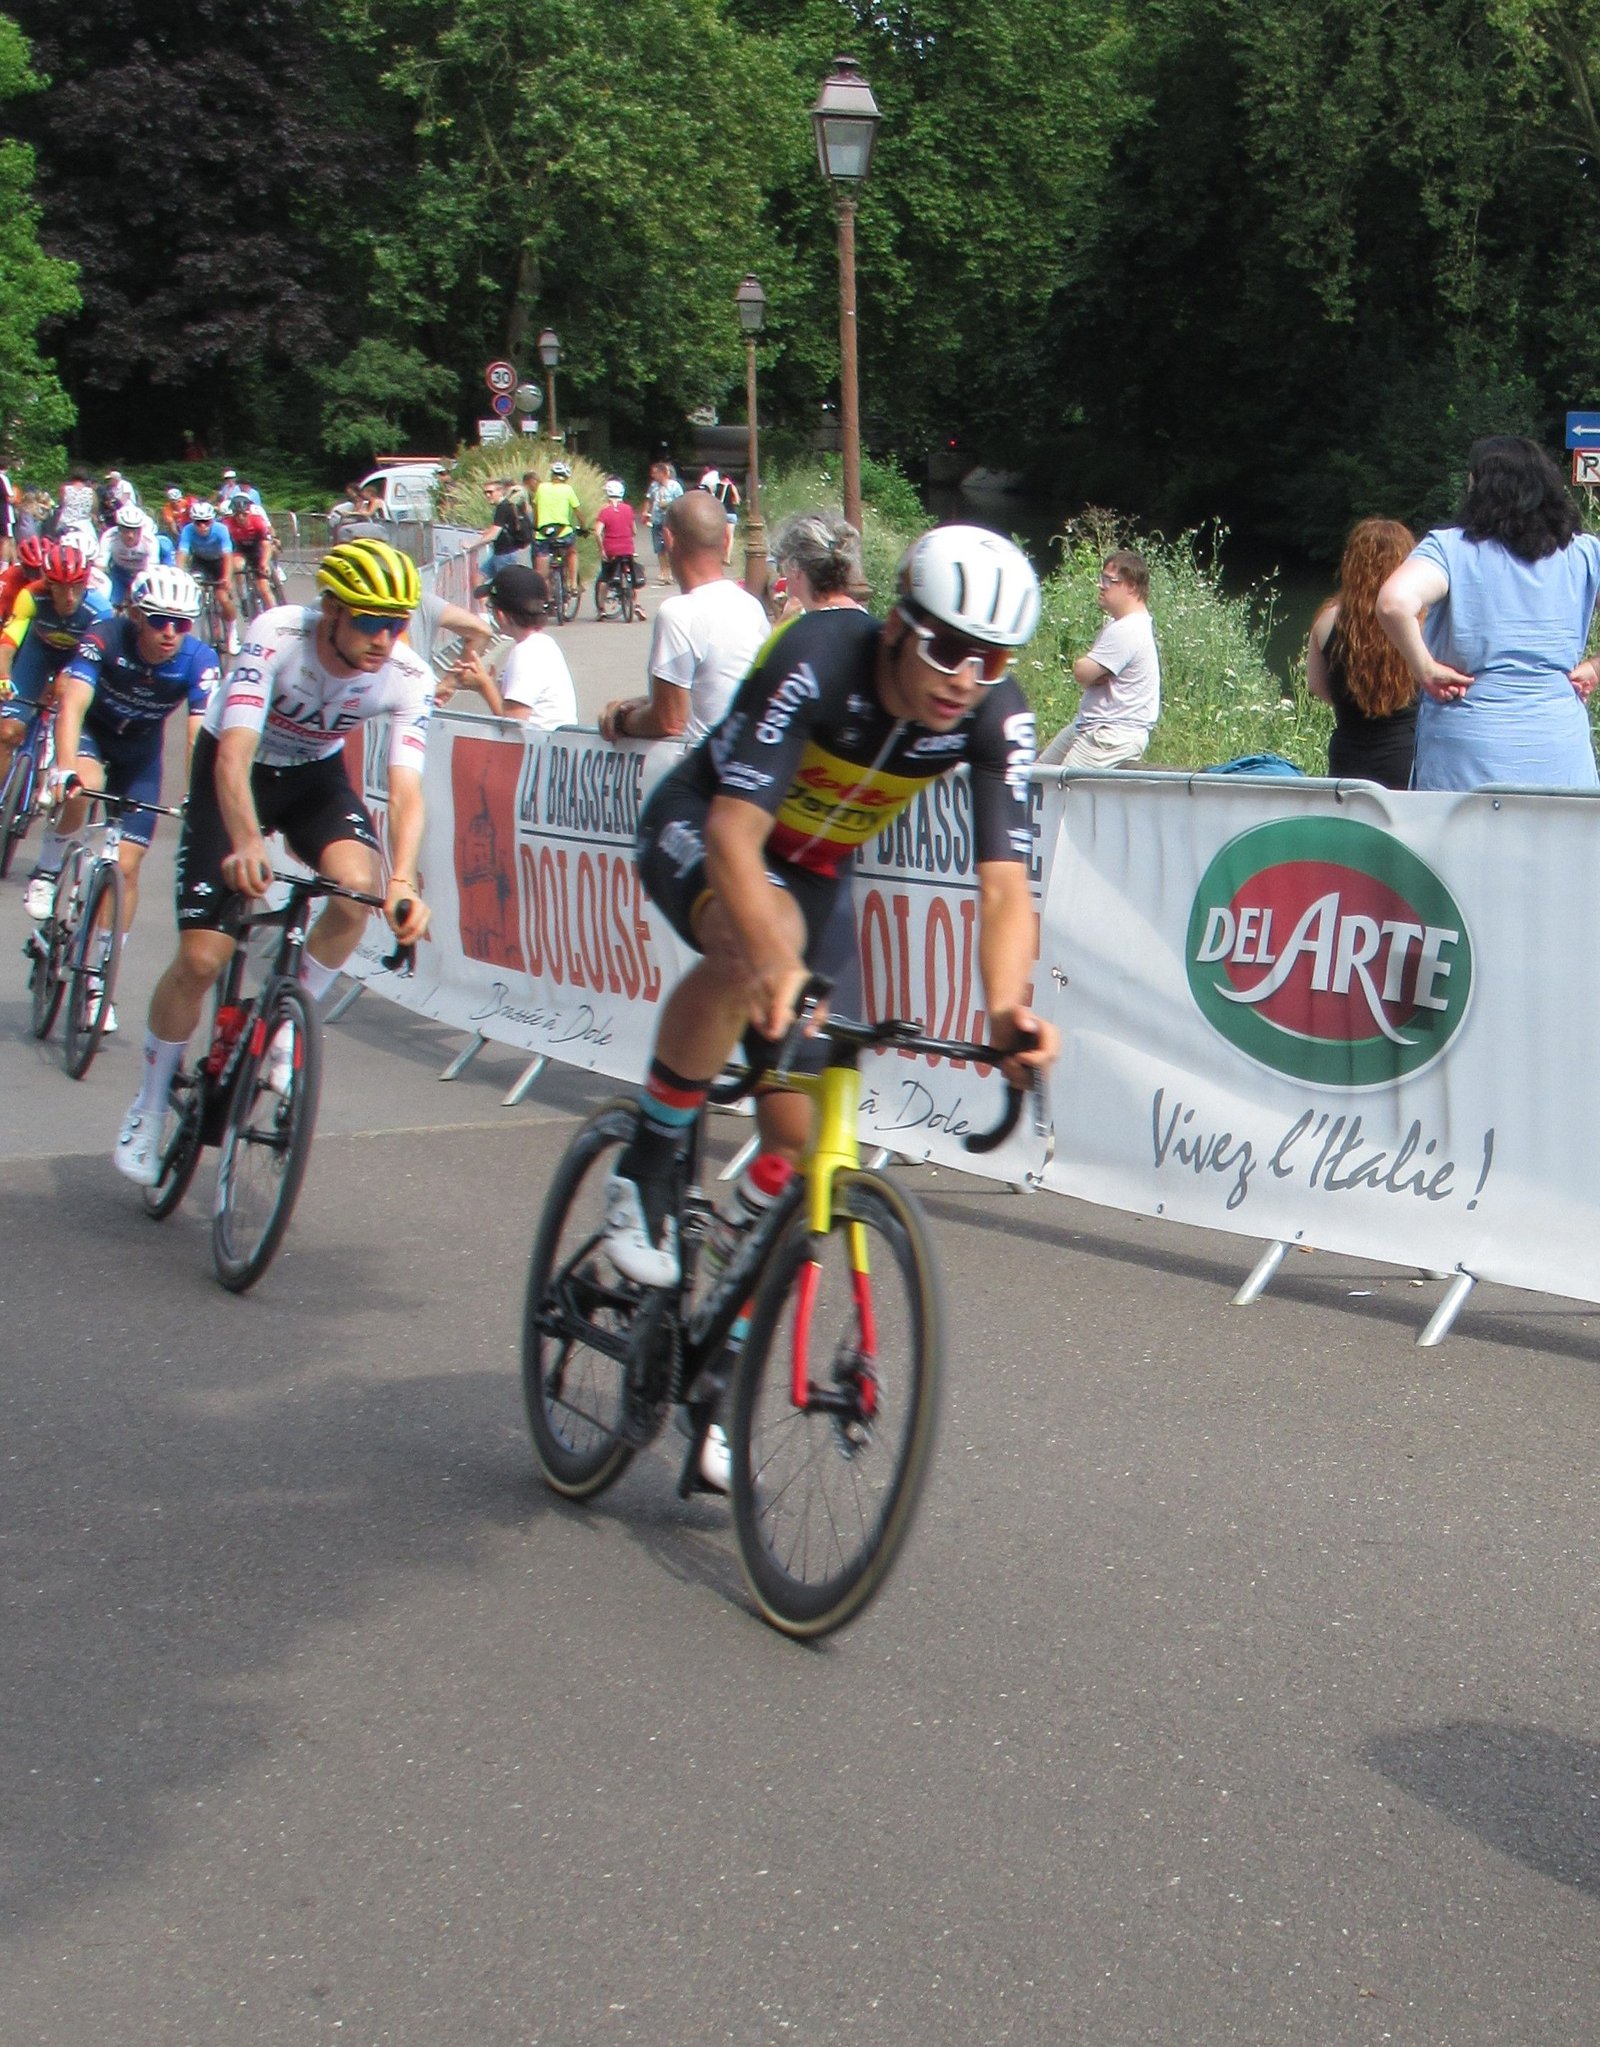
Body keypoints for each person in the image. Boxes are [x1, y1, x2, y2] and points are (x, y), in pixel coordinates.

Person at [600, 523, 1057, 1307]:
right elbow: (734, 836)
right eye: (947, 649)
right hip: (708, 826)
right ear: (897, 626)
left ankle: (731, 1284)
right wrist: (776, 964)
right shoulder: (815, 657)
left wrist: (1009, 1006)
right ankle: (645, 1163)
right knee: (751, 951)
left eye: (993, 659)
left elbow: (1006, 887)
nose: (965, 679)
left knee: (799, 1141)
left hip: (814, 874)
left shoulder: (993, 716)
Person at [113, 539, 433, 1185]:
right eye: (371, 620)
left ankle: (289, 1025)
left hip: (313, 779)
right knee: (203, 957)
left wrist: (402, 878)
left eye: (396, 623)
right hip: (235, 773)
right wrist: (247, 841)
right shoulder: (276, 634)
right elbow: (232, 755)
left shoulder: (407, 674)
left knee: (357, 888)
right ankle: (148, 1107)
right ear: (333, 611)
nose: (384, 637)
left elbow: (405, 791)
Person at [31, 569, 220, 1013]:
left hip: (140, 753)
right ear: (136, 615)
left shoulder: (199, 660)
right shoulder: (106, 636)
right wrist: (61, 768)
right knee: (84, 789)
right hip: (93, 735)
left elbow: (199, 735)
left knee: (127, 868)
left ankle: (98, 977)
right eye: (158, 620)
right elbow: (73, 703)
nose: (171, 632)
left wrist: (199, 796)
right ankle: (48, 865)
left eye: (183, 623)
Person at [1377, 435, 1600, 789]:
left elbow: (1393, 603)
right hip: (1558, 750)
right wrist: (1595, 667)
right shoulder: (1585, 552)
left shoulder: (1449, 549)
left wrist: (1425, 667)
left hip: (1466, 755)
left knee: (1457, 846)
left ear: (1480, 486)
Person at [598, 490, 767, 746]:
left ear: (668, 538)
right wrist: (645, 703)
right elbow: (712, 692)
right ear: (724, 540)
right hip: (744, 755)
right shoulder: (751, 606)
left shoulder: (679, 613)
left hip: (703, 766)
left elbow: (670, 720)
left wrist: (620, 720)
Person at [1304, 519, 1419, 789]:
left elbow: (1316, 685)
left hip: (1348, 754)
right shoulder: (1419, 622)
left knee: (1351, 829)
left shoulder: (1327, 620)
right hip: (1405, 754)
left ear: (1351, 562)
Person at [0, 543, 114, 794]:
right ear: (49, 585)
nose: (70, 596)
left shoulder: (99, 610)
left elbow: (93, 658)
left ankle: (58, 765)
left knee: (67, 693)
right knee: (7, 732)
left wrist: (64, 679)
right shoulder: (31, 596)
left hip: (77, 658)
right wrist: (4, 677)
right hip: (37, 654)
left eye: (76, 586)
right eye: (61, 588)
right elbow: (8, 643)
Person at [1039, 549, 1161, 768]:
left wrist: (1088, 669)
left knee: (1060, 792)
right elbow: (1089, 673)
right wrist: (1092, 671)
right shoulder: (1119, 625)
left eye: (1109, 580)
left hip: (1110, 735)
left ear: (1131, 586)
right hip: (1090, 726)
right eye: (1101, 578)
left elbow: (1082, 672)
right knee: (1038, 776)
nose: (1101, 585)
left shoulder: (1128, 628)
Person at [450, 563, 576, 726]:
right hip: (550, 744)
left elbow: (513, 724)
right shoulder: (543, 644)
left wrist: (484, 685)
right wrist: (492, 684)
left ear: (501, 615)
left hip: (538, 746)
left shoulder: (526, 653)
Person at [769, 511, 866, 620]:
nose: (783, 576)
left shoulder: (797, 633)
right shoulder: (873, 628)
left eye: (781, 566)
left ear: (794, 566)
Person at [177, 500, 237, 651]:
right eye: (198, 522)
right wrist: (179, 574)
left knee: (223, 598)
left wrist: (227, 578)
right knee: (195, 596)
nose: (202, 526)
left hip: (219, 562)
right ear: (193, 522)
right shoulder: (187, 531)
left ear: (212, 520)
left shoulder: (221, 529)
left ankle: (232, 633)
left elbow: (228, 556)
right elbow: (182, 554)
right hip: (200, 562)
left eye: (206, 522)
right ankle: (200, 633)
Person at [97, 502, 166, 609]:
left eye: (135, 530)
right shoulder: (109, 537)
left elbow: (150, 573)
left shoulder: (150, 540)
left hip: (142, 573)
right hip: (119, 573)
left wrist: (132, 595)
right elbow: (99, 569)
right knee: (109, 604)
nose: (130, 535)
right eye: (125, 529)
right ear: (118, 528)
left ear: (141, 529)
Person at [533, 461, 584, 599]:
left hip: (543, 533)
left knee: (541, 572)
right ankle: (573, 584)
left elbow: (536, 509)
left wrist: (536, 525)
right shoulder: (567, 489)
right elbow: (578, 511)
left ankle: (546, 597)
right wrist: (583, 527)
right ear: (566, 477)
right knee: (572, 551)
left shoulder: (541, 487)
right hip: (563, 532)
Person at [593, 476, 641, 611]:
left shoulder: (604, 511)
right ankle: (636, 604)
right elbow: (634, 531)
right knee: (632, 574)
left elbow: (597, 532)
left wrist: (601, 549)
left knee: (605, 577)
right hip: (627, 548)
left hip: (611, 549)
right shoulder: (628, 509)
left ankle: (601, 608)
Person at [225, 492, 276, 613]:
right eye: (237, 514)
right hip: (239, 550)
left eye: (244, 514)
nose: (241, 517)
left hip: (257, 549)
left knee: (264, 589)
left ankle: (274, 614)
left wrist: (264, 563)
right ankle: (243, 596)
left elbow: (266, 544)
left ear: (248, 512)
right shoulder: (227, 524)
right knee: (238, 566)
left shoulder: (257, 522)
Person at [647, 461, 683, 584]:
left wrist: (668, 504)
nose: (653, 476)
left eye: (655, 473)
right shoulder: (653, 486)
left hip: (670, 521)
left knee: (671, 547)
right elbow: (650, 499)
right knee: (659, 548)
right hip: (657, 519)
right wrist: (646, 513)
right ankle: (663, 572)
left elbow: (680, 501)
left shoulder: (675, 486)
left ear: (663, 473)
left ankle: (672, 572)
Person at [700, 468, 741, 564]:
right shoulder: (732, 486)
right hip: (731, 513)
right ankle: (727, 558)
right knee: (730, 537)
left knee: (722, 536)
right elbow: (737, 501)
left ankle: (720, 555)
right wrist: (732, 501)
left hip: (720, 513)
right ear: (728, 478)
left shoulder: (716, 487)